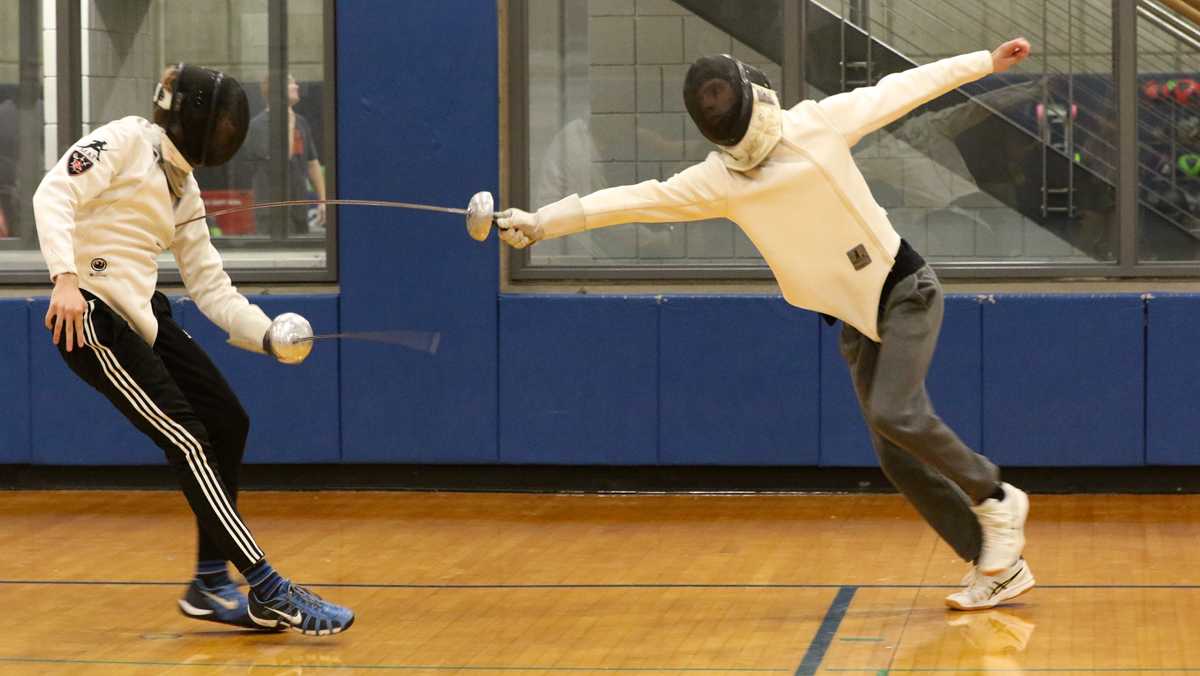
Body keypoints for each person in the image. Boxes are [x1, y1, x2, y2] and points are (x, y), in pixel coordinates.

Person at [496, 39, 1036, 611]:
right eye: (707, 102)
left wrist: (984, 62)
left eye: (719, 94)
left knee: (893, 412)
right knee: (895, 454)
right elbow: (631, 201)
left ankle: (996, 495)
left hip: (905, 291)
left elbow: (900, 91)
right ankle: (994, 564)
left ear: (748, 93)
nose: (715, 104)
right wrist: (539, 223)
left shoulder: (816, 124)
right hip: (857, 319)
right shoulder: (720, 180)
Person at [32, 63, 354, 635]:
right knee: (189, 438)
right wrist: (63, 279)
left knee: (228, 420)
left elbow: (211, 287)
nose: (228, 132)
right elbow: (53, 191)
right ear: (198, 119)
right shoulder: (127, 140)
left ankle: (209, 581)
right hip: (89, 318)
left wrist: (266, 335)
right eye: (223, 122)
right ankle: (267, 586)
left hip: (141, 316)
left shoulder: (184, 188)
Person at [241, 73, 326, 235]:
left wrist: (322, 200)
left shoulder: (301, 122)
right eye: (291, 83)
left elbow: (312, 163)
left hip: (299, 207)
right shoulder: (258, 126)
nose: (296, 86)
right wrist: (289, 122)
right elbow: (281, 161)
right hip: (271, 210)